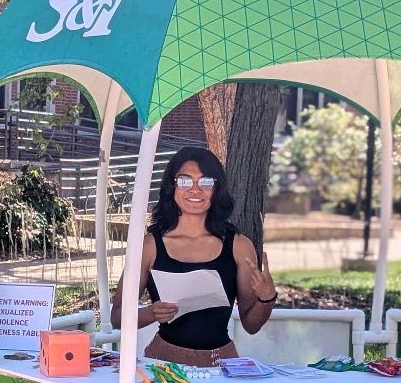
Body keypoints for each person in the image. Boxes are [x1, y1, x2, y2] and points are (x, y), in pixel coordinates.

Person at [111, 146, 277, 367]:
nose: (195, 190)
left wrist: (267, 299)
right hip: (163, 365)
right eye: (185, 181)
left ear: (216, 189)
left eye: (206, 182)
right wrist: (151, 313)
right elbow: (117, 317)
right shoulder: (150, 245)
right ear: (172, 186)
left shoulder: (238, 245)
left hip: (221, 365)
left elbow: (251, 324)